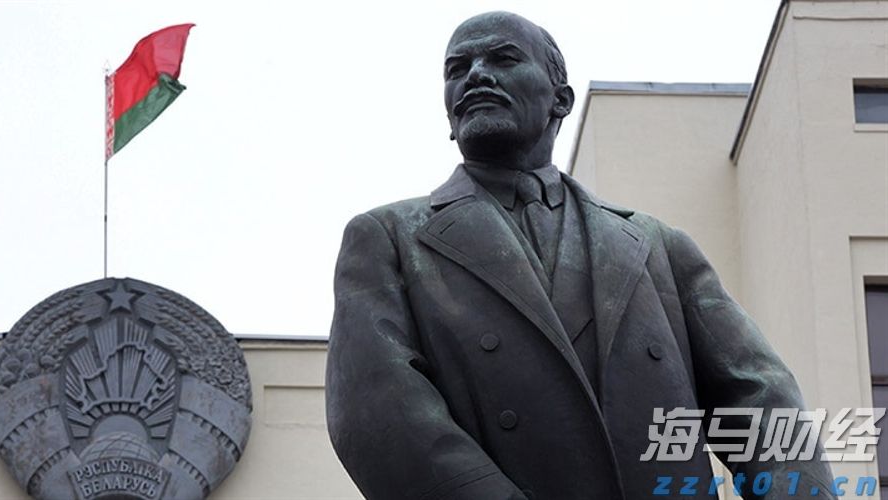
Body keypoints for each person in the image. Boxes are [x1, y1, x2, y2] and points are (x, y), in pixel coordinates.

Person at [326, 11, 834, 499]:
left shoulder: (658, 246)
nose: (476, 75)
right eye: (457, 69)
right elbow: (379, 411)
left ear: (560, 99)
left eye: (503, 59)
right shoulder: (390, 238)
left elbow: (760, 393)